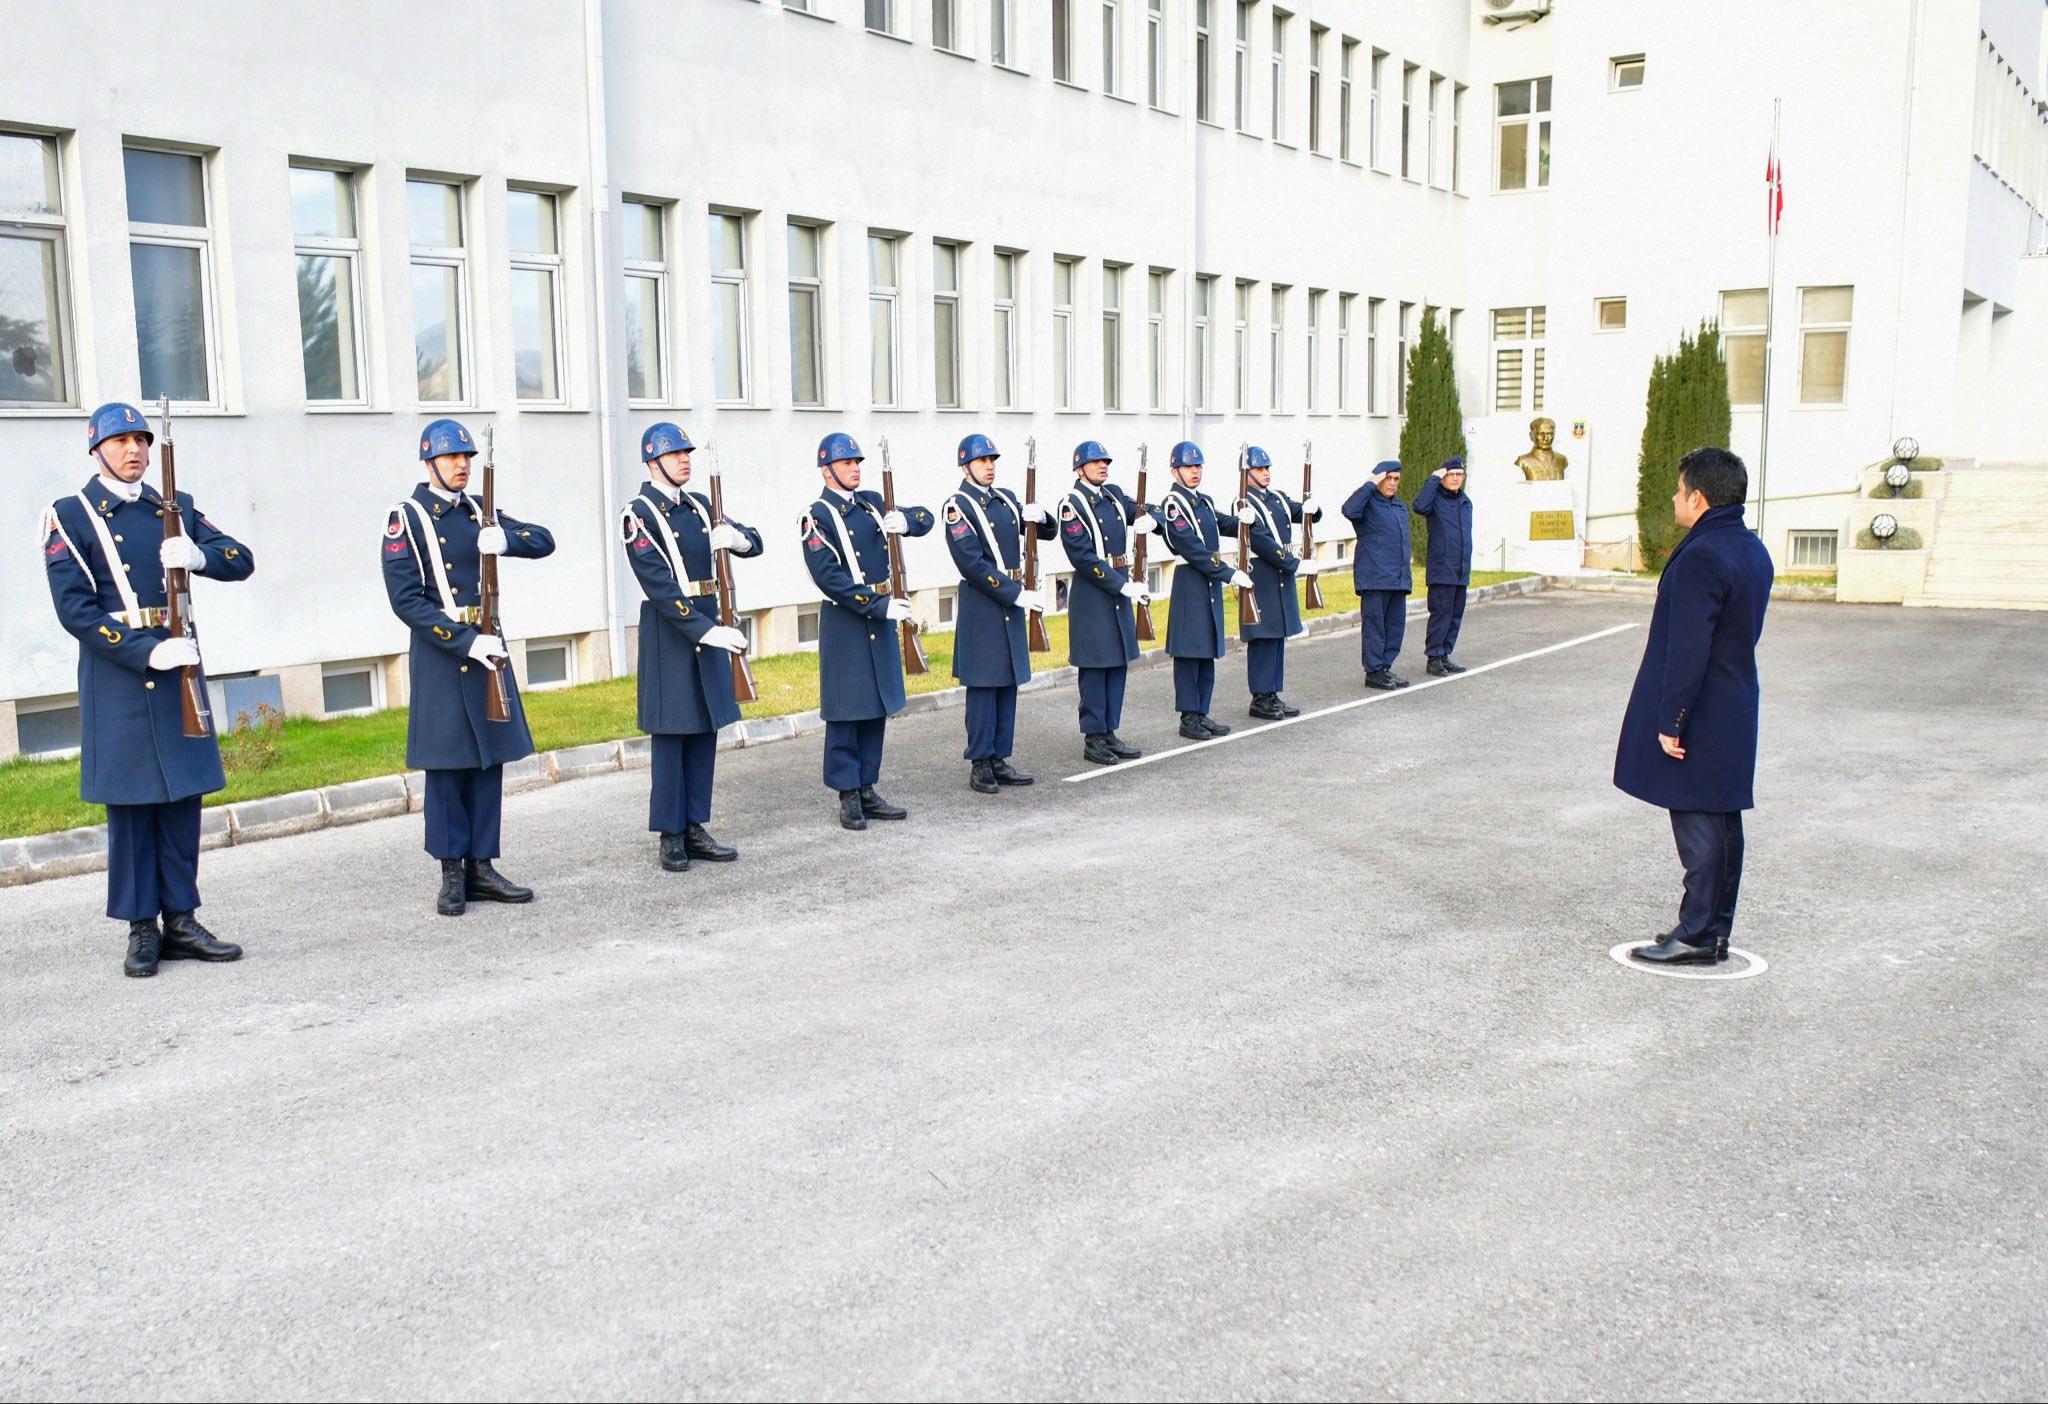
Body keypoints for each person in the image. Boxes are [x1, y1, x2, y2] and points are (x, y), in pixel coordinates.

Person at [41, 402, 255, 977]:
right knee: (134, 804)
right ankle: (142, 929)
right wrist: (145, 650)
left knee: (183, 798)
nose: (134, 450)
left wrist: (199, 554)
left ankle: (181, 921)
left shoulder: (174, 506)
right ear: (96, 450)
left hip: (179, 663)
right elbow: (75, 609)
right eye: (121, 441)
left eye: (140, 440)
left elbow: (241, 560)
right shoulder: (71, 514)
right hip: (121, 673)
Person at [382, 418, 556, 917]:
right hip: (443, 651)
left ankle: (482, 864)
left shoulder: (481, 512)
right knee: (447, 764)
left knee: (487, 760)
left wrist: (506, 539)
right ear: (429, 462)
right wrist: (464, 642)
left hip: (488, 645)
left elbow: (543, 539)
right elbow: (406, 600)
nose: (462, 465)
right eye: (451, 458)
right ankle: (451, 871)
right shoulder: (407, 518)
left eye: (467, 458)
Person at [1615, 446, 1774, 965]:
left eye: (1679, 489)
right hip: (1734, 700)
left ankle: (1698, 934)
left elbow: (1689, 646)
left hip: (1700, 708)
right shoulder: (1751, 549)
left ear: (1698, 496)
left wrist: (1671, 720)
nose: (1674, 497)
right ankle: (1713, 927)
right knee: (1723, 821)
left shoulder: (1702, 555)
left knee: (1699, 823)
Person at [621, 422, 762, 872]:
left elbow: (755, 541)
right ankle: (670, 833)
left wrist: (738, 540)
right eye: (675, 453)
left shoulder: (703, 506)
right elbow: (659, 585)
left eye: (687, 453)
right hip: (673, 631)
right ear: (652, 461)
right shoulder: (638, 513)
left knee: (704, 730)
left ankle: (695, 824)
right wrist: (704, 630)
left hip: (710, 620)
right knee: (673, 736)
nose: (685, 459)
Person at [800, 432, 935, 829]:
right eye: (847, 464)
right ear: (827, 471)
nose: (855, 469)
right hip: (848, 619)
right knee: (847, 710)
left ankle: (868, 786)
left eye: (858, 463)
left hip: (880, 615)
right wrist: (880, 605)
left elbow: (926, 518)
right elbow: (830, 578)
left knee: (875, 706)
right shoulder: (817, 517)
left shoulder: (874, 504)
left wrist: (908, 522)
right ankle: (848, 795)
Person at [942, 433, 1053, 793]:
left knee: (1007, 684)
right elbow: (972, 564)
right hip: (984, 604)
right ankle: (979, 761)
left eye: (992, 460)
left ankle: (999, 757)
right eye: (981, 461)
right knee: (984, 687)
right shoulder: (957, 507)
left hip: (1010, 602)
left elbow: (1044, 532)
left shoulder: (1004, 501)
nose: (989, 466)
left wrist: (1044, 517)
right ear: (965, 466)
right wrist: (1015, 594)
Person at [1057, 440, 1152, 765]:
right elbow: (1083, 557)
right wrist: (1121, 586)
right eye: (1096, 462)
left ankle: (1110, 731)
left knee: (1116, 664)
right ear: (1079, 468)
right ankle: (1094, 737)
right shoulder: (1072, 504)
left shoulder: (1111, 495)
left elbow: (1138, 508)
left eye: (1105, 462)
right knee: (1096, 667)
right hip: (1094, 594)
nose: (1103, 466)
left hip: (1118, 589)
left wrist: (1151, 518)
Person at [1159, 441, 1254, 739]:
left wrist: (1242, 519)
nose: (1195, 471)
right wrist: (1229, 574)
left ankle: (1202, 711)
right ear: (1175, 471)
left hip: (1208, 580)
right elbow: (1194, 549)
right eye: (1189, 467)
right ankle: (1189, 717)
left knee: (1206, 650)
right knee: (1190, 652)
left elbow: (1220, 523)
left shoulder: (1204, 501)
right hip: (1191, 580)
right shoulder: (1174, 505)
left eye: (1198, 466)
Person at [1236, 445, 1321, 719]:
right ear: (1246, 474)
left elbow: (1303, 513)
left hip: (1279, 574)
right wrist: (1295, 564)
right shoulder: (1243, 503)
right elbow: (1261, 541)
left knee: (1278, 635)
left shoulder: (1277, 498)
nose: (1265, 473)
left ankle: (1272, 692)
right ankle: (1260, 696)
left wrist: (1313, 508)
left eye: (1267, 468)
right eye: (1259, 469)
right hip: (1262, 572)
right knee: (1263, 636)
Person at [1341, 460, 1413, 690]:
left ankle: (1384, 668)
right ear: (1378, 479)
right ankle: (1373, 671)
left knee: (1394, 627)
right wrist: (1369, 484)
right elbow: (1348, 509)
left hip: (1398, 578)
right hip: (1375, 577)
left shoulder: (1399, 506)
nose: (1392, 483)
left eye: (1396, 479)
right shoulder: (1367, 504)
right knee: (1375, 628)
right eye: (1387, 478)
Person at [1411, 456, 1474, 676]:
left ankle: (1445, 653)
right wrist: (1433, 479)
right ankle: (1434, 657)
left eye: (1459, 475)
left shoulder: (1465, 502)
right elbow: (1419, 506)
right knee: (1441, 613)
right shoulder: (1434, 499)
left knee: (1455, 614)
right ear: (1443, 477)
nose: (1456, 479)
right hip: (1442, 568)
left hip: (1461, 569)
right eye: (1451, 475)